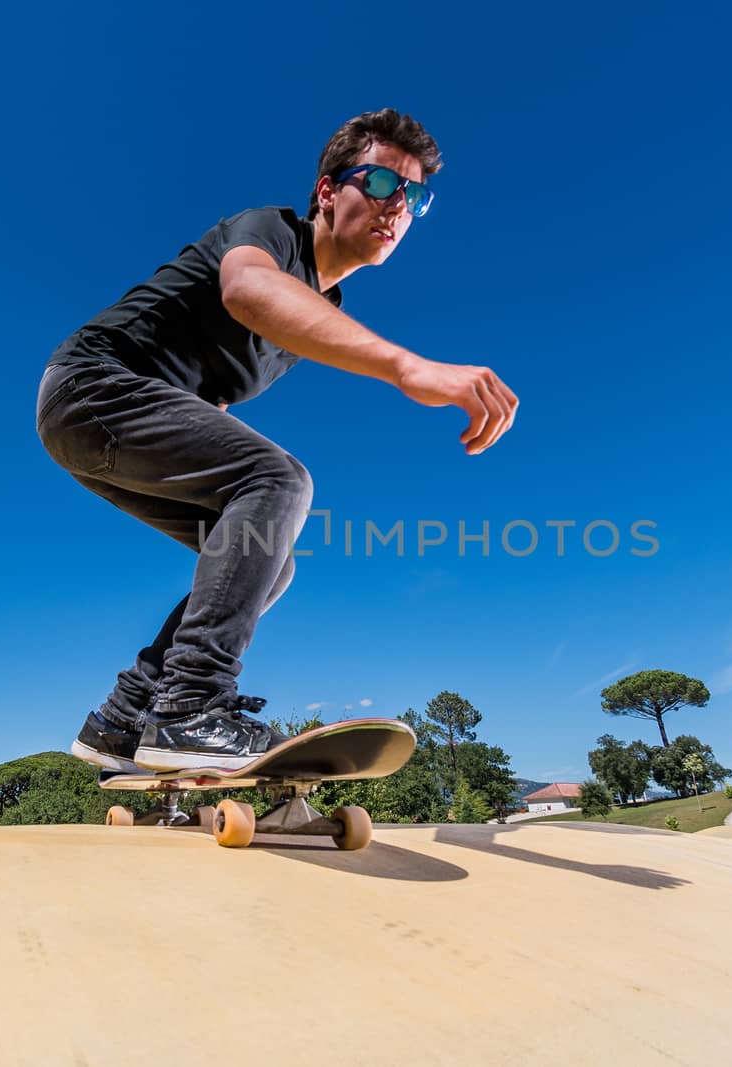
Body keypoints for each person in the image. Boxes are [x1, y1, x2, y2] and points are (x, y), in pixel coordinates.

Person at [36, 108, 518, 774]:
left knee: (270, 557)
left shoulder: (326, 309)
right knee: (278, 480)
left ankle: (125, 719)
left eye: (413, 196)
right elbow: (248, 289)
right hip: (93, 389)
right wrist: (408, 365)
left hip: (108, 426)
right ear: (327, 191)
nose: (396, 206)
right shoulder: (270, 233)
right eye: (380, 184)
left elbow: (217, 378)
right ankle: (189, 710)